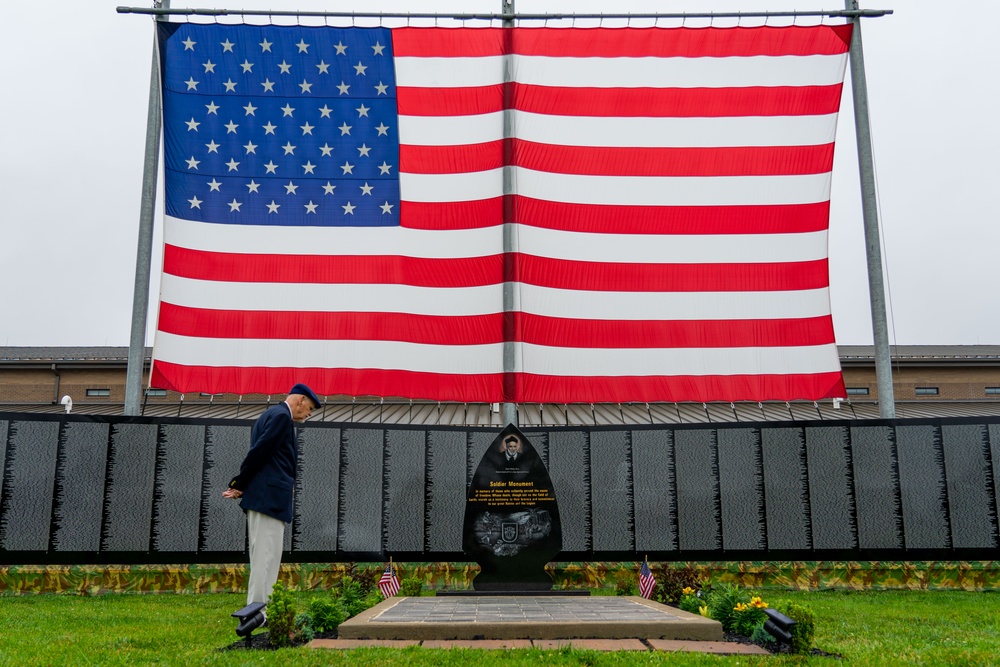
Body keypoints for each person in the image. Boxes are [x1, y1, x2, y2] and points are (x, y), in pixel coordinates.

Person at [222, 383, 321, 613]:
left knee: (265, 558)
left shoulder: (270, 415)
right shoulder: (280, 418)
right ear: (300, 400)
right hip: (268, 500)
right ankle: (257, 612)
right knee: (265, 560)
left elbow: (264, 457)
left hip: (265, 498)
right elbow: (259, 452)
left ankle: (260, 610)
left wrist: (242, 486)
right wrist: (239, 483)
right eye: (310, 408)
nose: (309, 414)